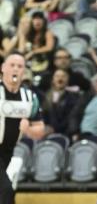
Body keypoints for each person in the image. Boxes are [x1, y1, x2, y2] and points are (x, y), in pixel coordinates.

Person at [0, 52, 45, 204]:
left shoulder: (29, 97)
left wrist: (28, 130)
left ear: (24, 71)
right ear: (3, 68)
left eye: (19, 66)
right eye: (12, 65)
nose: (15, 69)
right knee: (6, 190)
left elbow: (40, 130)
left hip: (8, 150)